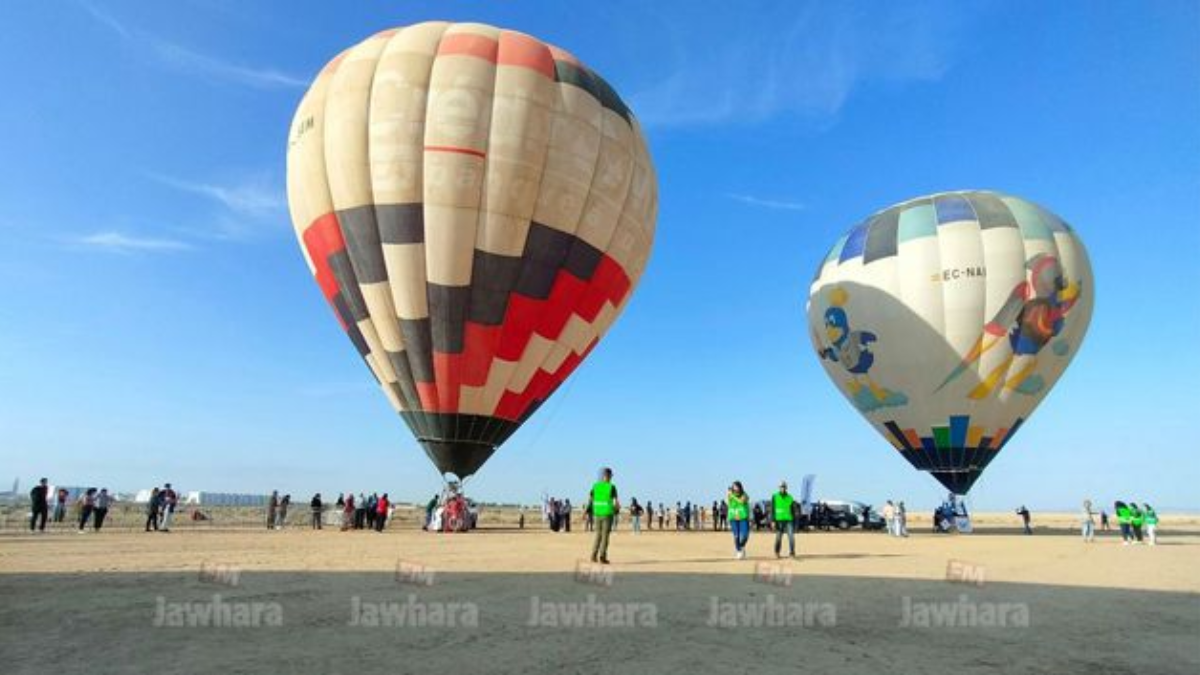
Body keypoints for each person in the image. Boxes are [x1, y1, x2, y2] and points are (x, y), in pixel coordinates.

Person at [589, 467, 619, 564]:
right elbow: (615, 502)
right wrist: (617, 509)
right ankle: (602, 557)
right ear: (609, 476)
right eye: (611, 476)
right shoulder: (611, 487)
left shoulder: (595, 486)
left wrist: (588, 510)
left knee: (598, 535)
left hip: (597, 513)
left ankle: (593, 556)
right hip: (607, 514)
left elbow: (590, 498)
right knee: (605, 536)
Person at [771, 481, 796, 558]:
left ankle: (792, 553)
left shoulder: (790, 497)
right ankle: (777, 552)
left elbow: (793, 510)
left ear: (786, 488)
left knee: (791, 537)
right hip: (779, 520)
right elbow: (773, 509)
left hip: (789, 520)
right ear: (779, 488)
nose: (783, 488)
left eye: (784, 487)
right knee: (778, 538)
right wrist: (773, 520)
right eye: (781, 487)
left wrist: (794, 520)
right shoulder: (775, 496)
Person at [727, 481, 751, 559]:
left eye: (736, 486)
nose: (735, 488)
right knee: (736, 536)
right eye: (734, 487)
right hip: (733, 518)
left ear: (740, 487)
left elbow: (742, 501)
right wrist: (729, 495)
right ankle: (739, 551)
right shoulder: (730, 495)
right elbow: (728, 503)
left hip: (743, 517)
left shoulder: (744, 494)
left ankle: (742, 546)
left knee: (745, 535)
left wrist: (733, 496)